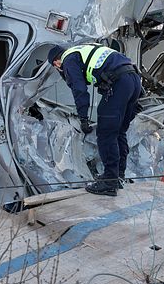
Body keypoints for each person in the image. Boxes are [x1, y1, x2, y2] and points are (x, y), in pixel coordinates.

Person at [47, 43, 142, 196]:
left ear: (56, 62)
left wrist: (83, 117)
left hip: (119, 83)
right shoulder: (84, 49)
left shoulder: (68, 60)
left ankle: (109, 182)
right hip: (134, 80)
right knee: (119, 132)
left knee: (106, 133)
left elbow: (79, 89)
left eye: (57, 66)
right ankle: (118, 176)